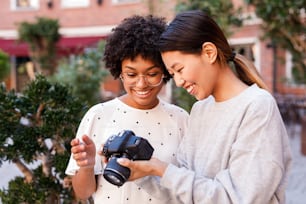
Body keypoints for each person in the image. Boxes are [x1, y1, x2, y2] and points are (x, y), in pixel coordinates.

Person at [117, 10, 292, 204]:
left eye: (180, 69)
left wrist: (162, 169)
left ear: (209, 52)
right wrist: (142, 171)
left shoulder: (257, 107)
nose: (178, 82)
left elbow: (240, 198)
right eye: (172, 73)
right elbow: (181, 192)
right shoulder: (200, 110)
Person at [65, 15, 189, 203]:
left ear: (165, 71)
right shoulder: (98, 115)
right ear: (119, 71)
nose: (141, 84)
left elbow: (189, 186)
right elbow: (83, 193)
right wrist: (87, 166)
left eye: (152, 74)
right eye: (131, 74)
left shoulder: (181, 119)